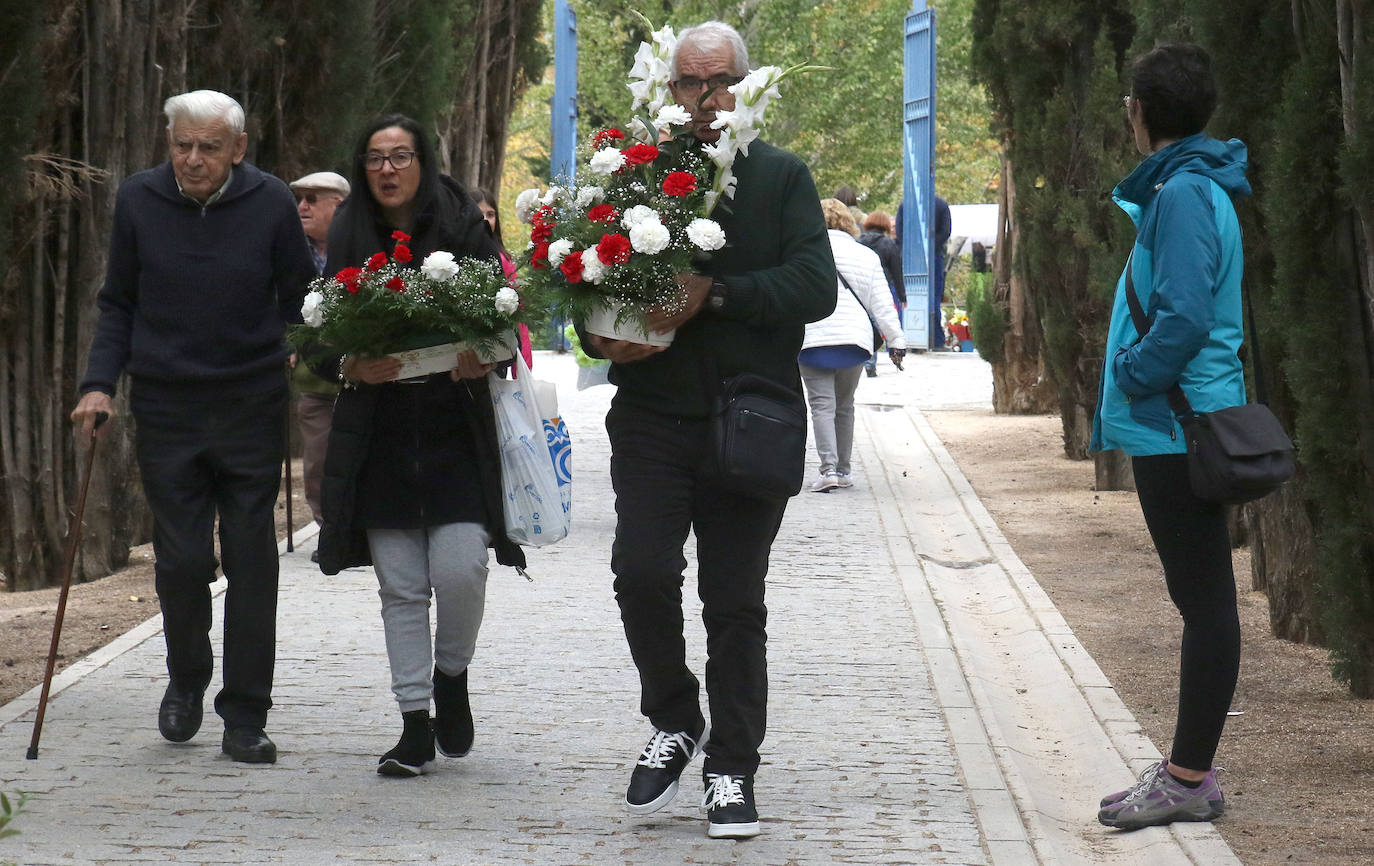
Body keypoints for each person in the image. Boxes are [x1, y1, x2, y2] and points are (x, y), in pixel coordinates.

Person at [579, 21, 836, 839]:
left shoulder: (781, 176)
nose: (705, 99)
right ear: (670, 91)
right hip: (652, 415)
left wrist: (714, 297)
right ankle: (675, 716)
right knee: (641, 573)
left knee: (733, 603)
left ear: (747, 86)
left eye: (720, 81)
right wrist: (599, 334)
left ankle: (732, 767)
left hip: (746, 419)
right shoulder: (633, 176)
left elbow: (814, 285)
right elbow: (590, 277)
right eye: (689, 84)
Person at [70, 89, 316, 764]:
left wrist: (316, 348)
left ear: (238, 147)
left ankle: (245, 713)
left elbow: (304, 296)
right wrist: (98, 385)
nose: (194, 159)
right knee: (179, 561)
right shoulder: (140, 200)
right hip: (168, 405)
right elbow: (118, 301)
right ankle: (186, 677)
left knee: (250, 556)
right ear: (168, 143)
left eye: (210, 147)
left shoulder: (269, 202)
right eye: (182, 145)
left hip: (250, 404)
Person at [313, 114, 527, 778]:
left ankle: (452, 675)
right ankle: (413, 723)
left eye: (400, 156)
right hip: (378, 436)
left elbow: (502, 310)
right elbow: (316, 333)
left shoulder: (460, 218)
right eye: (374, 157)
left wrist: (479, 356)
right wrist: (350, 366)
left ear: (421, 161)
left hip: (454, 430)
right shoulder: (348, 230)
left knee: (462, 567)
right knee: (402, 586)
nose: (387, 169)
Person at [1090, 43, 1249, 831]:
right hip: (1179, 420)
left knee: (1206, 605)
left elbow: (1183, 316)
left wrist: (1131, 372)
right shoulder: (1193, 185)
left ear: (1138, 112)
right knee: (1205, 600)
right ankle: (1188, 771)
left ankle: (1188, 778)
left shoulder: (1183, 193)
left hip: (1175, 427)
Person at [802, 200, 906, 492]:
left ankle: (828, 470)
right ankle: (845, 471)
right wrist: (896, 340)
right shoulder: (866, 256)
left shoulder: (804, 253)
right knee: (845, 406)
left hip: (813, 336)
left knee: (822, 405)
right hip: (854, 339)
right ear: (849, 222)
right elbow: (882, 304)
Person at [288, 171, 350, 539]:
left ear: (337, 205)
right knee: (318, 460)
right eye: (299, 198)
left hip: (364, 375)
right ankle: (329, 530)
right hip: (314, 381)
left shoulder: (360, 247)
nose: (302, 206)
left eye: (312, 198)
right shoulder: (293, 253)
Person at [472, 186, 534, 371]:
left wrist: (522, 368)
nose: (485, 219)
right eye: (478, 213)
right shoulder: (451, 256)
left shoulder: (503, 260)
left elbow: (518, 317)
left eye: (490, 214)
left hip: (496, 358)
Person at [856, 209, 905, 376]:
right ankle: (877, 361)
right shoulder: (888, 243)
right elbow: (897, 272)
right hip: (882, 286)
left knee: (867, 322)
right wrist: (902, 296)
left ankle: (868, 361)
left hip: (860, 287)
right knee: (879, 322)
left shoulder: (858, 241)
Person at [931, 195, 951, 348]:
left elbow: (900, 229)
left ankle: (911, 337)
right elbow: (946, 232)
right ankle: (937, 339)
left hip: (912, 256)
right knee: (935, 298)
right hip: (935, 255)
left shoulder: (907, 204)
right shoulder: (941, 204)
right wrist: (931, 245)